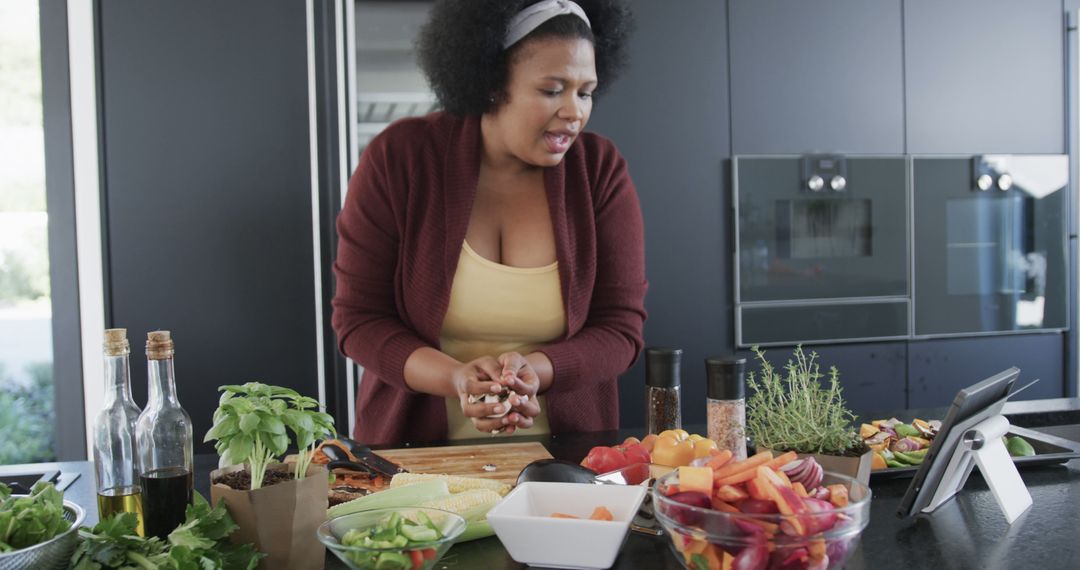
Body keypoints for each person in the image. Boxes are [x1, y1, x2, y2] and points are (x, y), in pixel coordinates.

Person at [332, 0, 646, 445]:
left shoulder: (599, 171)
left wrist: (533, 374)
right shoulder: (399, 159)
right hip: (417, 461)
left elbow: (621, 329)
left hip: (566, 464)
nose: (574, 111)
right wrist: (456, 379)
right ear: (494, 83)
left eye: (585, 91)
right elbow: (359, 320)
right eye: (552, 90)